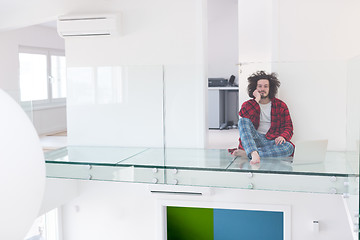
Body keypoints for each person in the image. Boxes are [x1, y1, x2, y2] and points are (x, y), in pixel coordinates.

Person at [231, 71, 294, 164]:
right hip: (253, 140)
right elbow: (244, 119)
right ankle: (253, 152)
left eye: (265, 86)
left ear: (270, 88)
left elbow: (288, 127)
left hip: (271, 141)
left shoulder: (280, 105)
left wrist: (283, 136)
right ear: (255, 88)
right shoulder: (249, 104)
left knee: (289, 148)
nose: (262, 89)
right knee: (242, 121)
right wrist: (256, 100)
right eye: (259, 86)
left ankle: (250, 153)